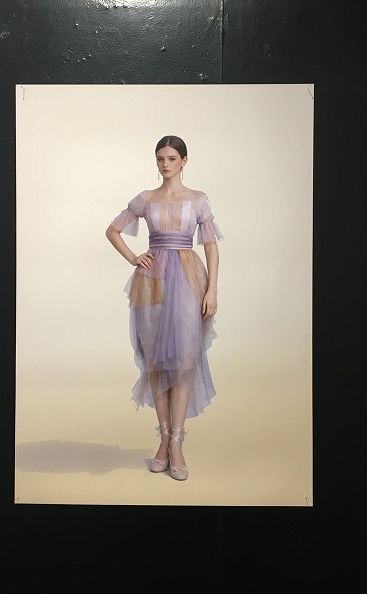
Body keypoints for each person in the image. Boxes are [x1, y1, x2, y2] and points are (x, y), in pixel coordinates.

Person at [105, 135, 223, 481]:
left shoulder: (197, 200)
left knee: (184, 358)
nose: (165, 164)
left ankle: (177, 442)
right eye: (160, 158)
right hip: (152, 280)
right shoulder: (146, 198)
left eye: (172, 158)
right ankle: (164, 439)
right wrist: (133, 258)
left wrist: (212, 289)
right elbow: (112, 231)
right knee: (156, 359)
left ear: (184, 161)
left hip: (188, 280)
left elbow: (211, 246)